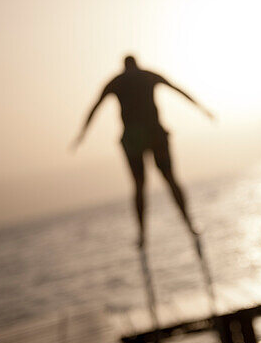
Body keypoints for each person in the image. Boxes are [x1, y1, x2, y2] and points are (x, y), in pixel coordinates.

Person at [72, 55, 214, 245]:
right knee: (170, 179)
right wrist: (202, 109)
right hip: (153, 133)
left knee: (140, 186)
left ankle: (142, 235)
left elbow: (94, 108)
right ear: (135, 64)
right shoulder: (148, 75)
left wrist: (82, 135)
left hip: (134, 139)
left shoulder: (116, 82)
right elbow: (179, 90)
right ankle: (189, 224)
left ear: (124, 66)